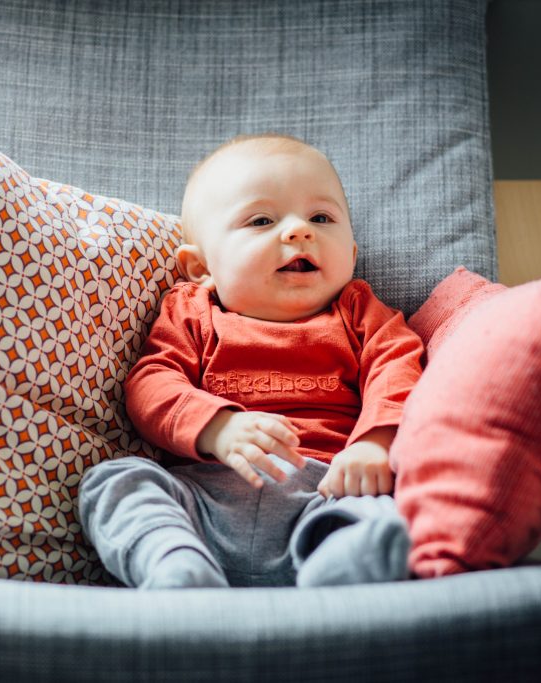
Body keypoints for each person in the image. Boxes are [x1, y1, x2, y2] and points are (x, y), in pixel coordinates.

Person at [78, 134, 425, 589]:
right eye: (262, 220)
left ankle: (342, 567)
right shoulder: (192, 311)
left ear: (351, 255)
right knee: (114, 480)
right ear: (202, 268)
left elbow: (397, 367)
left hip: (325, 494)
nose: (300, 230)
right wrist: (216, 428)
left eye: (321, 217)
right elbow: (151, 382)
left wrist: (374, 445)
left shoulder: (359, 312)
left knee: (384, 512)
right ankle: (175, 565)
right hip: (206, 499)